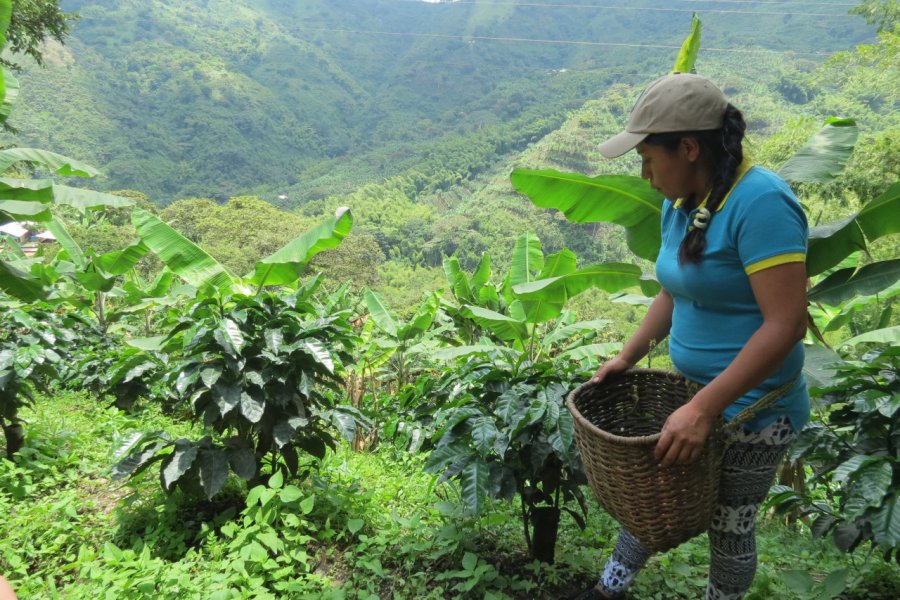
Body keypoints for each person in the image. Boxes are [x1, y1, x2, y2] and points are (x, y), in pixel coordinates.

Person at [575, 72, 810, 600]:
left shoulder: (762, 203)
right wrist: (627, 357)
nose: (644, 174)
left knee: (730, 526)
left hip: (753, 408)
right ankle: (608, 590)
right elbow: (673, 290)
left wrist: (706, 409)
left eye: (648, 159)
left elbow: (786, 323)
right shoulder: (683, 200)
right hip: (689, 396)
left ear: (687, 148)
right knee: (651, 497)